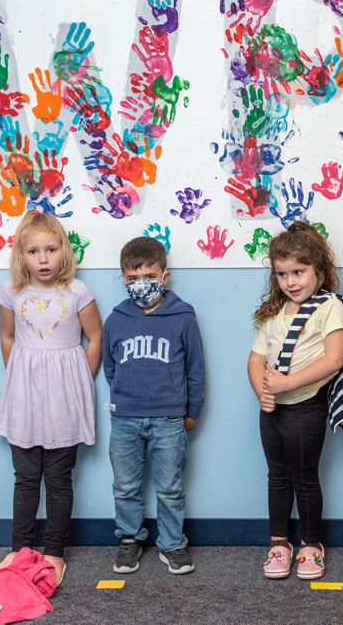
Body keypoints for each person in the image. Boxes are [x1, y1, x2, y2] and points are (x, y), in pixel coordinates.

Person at [0, 212, 102, 586]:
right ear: (21, 255)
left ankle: (55, 552)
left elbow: (95, 339)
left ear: (63, 252)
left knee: (58, 477)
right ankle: (19, 549)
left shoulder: (78, 292)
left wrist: (79, 380)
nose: (43, 259)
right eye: (34, 251)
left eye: (51, 250)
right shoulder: (12, 291)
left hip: (64, 397)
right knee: (25, 478)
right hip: (23, 394)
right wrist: (19, 377)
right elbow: (7, 337)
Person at [247, 222, 343, 580]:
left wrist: (287, 383)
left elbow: (334, 360)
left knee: (304, 478)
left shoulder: (329, 306)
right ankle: (279, 544)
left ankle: (310, 545)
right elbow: (256, 358)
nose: (291, 281)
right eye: (283, 274)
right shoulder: (275, 312)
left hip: (307, 407)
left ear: (319, 270)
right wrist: (264, 391)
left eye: (299, 272)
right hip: (272, 412)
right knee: (277, 476)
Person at [102, 236, 205, 576]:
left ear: (165, 275)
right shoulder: (116, 320)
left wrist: (192, 411)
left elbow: (195, 368)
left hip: (169, 419)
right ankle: (130, 539)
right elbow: (110, 365)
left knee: (170, 487)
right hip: (125, 419)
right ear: (123, 278)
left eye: (148, 277)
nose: (140, 285)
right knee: (126, 485)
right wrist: (123, 396)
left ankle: (173, 544)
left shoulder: (183, 317)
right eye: (132, 279)